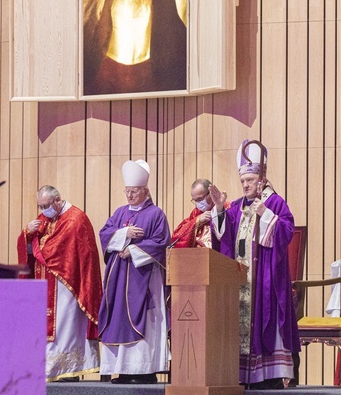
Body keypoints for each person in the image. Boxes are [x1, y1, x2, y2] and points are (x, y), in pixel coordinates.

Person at [209, 140, 300, 389]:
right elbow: (223, 237)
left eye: (250, 181)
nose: (246, 186)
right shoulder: (236, 206)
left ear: (262, 178)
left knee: (266, 318)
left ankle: (269, 375)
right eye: (243, 182)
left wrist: (265, 215)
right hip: (241, 279)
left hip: (266, 278)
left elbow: (286, 232)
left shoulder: (275, 203)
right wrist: (218, 209)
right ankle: (244, 375)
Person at [17, 185, 103, 382]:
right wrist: (27, 235)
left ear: (57, 200)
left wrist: (40, 246)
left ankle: (67, 370)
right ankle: (47, 369)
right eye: (40, 206)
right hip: (45, 282)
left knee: (66, 328)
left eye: (46, 205)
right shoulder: (45, 219)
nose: (43, 210)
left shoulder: (76, 219)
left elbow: (60, 251)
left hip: (68, 285)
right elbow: (33, 248)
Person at [97, 160, 171, 384]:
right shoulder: (120, 213)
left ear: (145, 190)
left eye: (134, 191)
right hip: (119, 280)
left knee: (145, 320)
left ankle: (144, 371)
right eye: (127, 191)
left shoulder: (156, 214)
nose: (129, 195)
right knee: (118, 319)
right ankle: (123, 370)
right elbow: (104, 234)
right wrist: (124, 233)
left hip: (143, 279)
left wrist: (134, 250)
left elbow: (161, 243)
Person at [170, 178, 220, 248]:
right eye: (195, 200)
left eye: (199, 199)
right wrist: (197, 221)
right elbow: (177, 236)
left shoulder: (223, 208)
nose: (198, 203)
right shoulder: (196, 213)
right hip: (196, 255)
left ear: (210, 193)